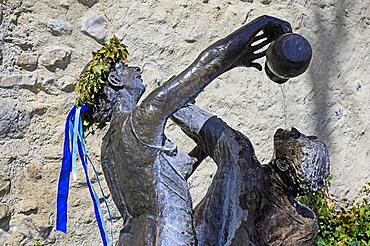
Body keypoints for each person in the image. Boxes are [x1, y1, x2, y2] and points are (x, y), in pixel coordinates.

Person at [88, 16, 292, 245]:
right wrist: (261, 23)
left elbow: (162, 180)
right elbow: (208, 63)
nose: (136, 69)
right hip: (167, 237)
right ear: (115, 80)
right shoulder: (140, 120)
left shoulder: (108, 148)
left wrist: (205, 145)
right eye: (125, 68)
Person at [171, 104, 330, 245]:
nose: (295, 131)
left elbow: (177, 106)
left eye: (301, 141)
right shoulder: (304, 225)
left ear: (283, 165)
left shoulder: (242, 156)